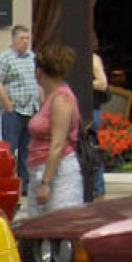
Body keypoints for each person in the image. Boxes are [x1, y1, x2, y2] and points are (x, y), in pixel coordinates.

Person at [24, 45, 85, 217]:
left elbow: (57, 144)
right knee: (37, 226)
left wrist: (46, 182)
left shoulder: (61, 100)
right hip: (39, 168)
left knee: (57, 222)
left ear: (39, 71)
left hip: (59, 173)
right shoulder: (50, 96)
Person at [0, 24, 38, 196]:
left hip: (31, 110)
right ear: (13, 39)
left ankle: (25, 185)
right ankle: (8, 184)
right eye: (21, 39)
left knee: (27, 149)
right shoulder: (5, 58)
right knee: (10, 149)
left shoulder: (32, 57)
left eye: (27, 38)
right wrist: (8, 105)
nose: (25, 42)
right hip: (14, 111)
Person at [91, 45, 109, 200]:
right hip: (74, 107)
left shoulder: (93, 59)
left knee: (92, 149)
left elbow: (102, 84)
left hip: (91, 110)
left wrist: (82, 83)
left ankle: (98, 188)